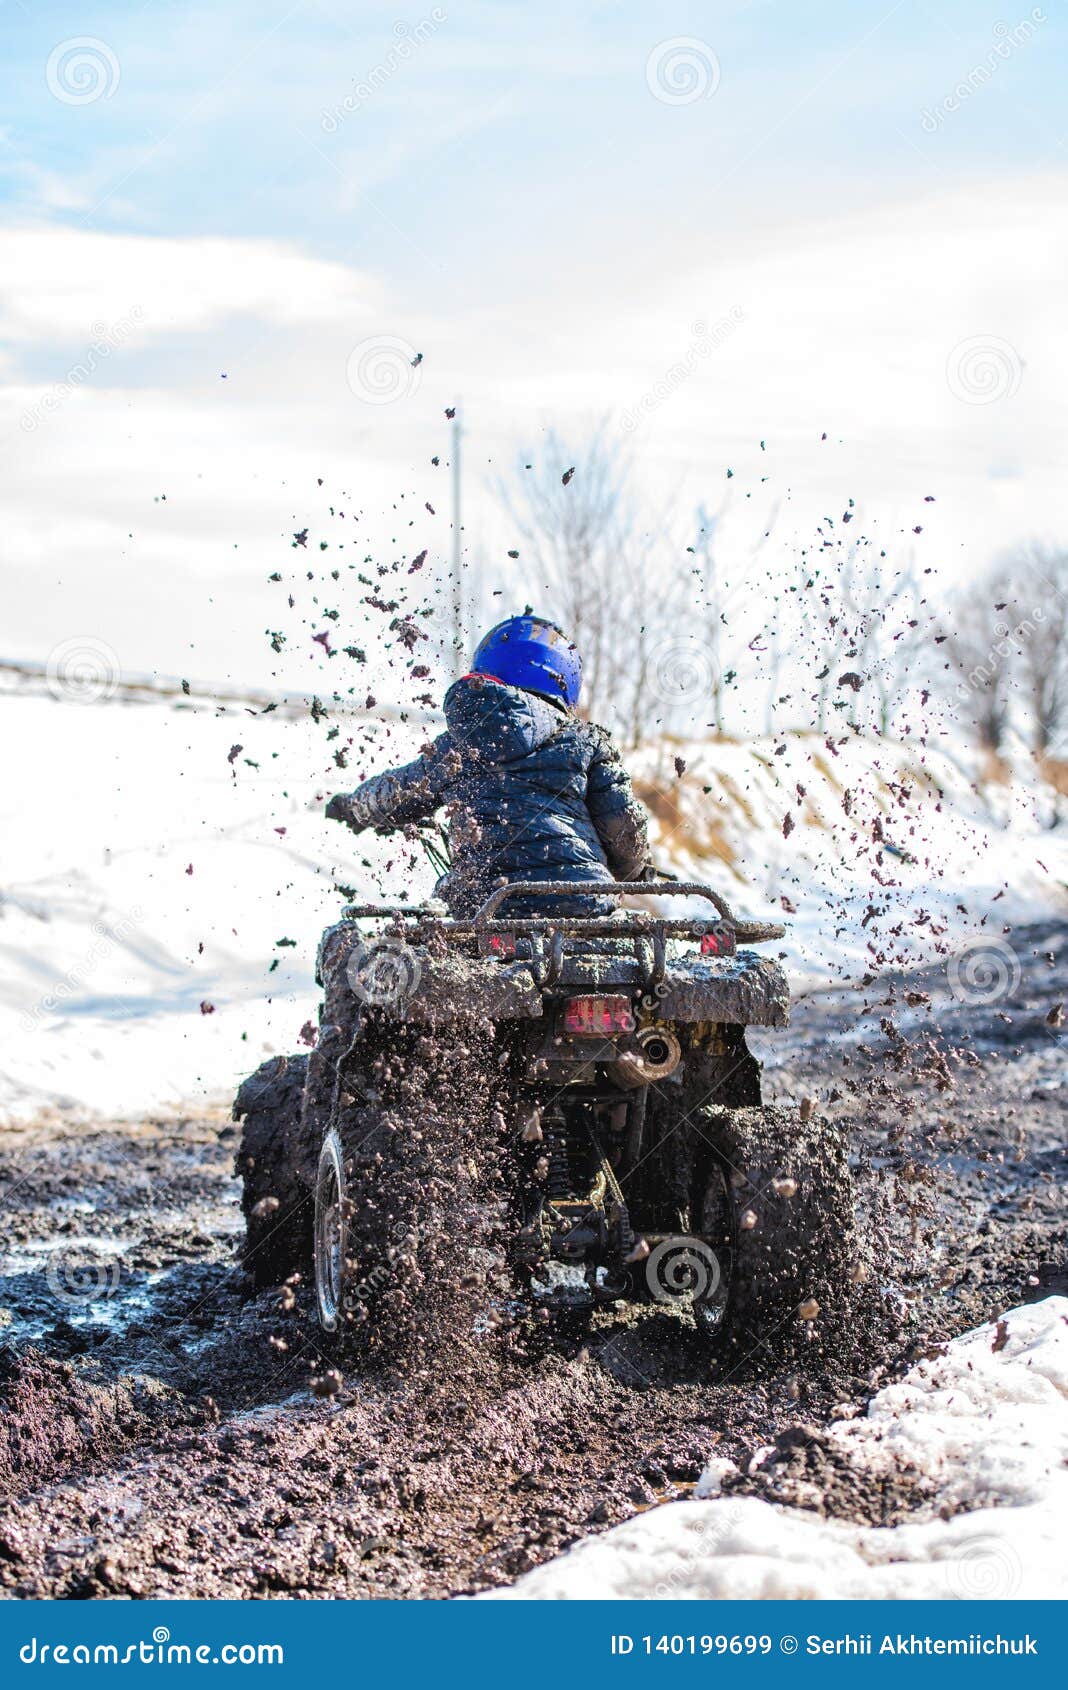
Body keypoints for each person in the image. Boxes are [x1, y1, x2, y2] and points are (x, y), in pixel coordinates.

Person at [326, 613, 653, 917]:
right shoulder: (586, 740)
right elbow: (622, 828)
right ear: (565, 679)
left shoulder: (456, 746)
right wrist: (637, 870)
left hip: (483, 907)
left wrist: (353, 807)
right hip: (579, 902)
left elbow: (397, 792)